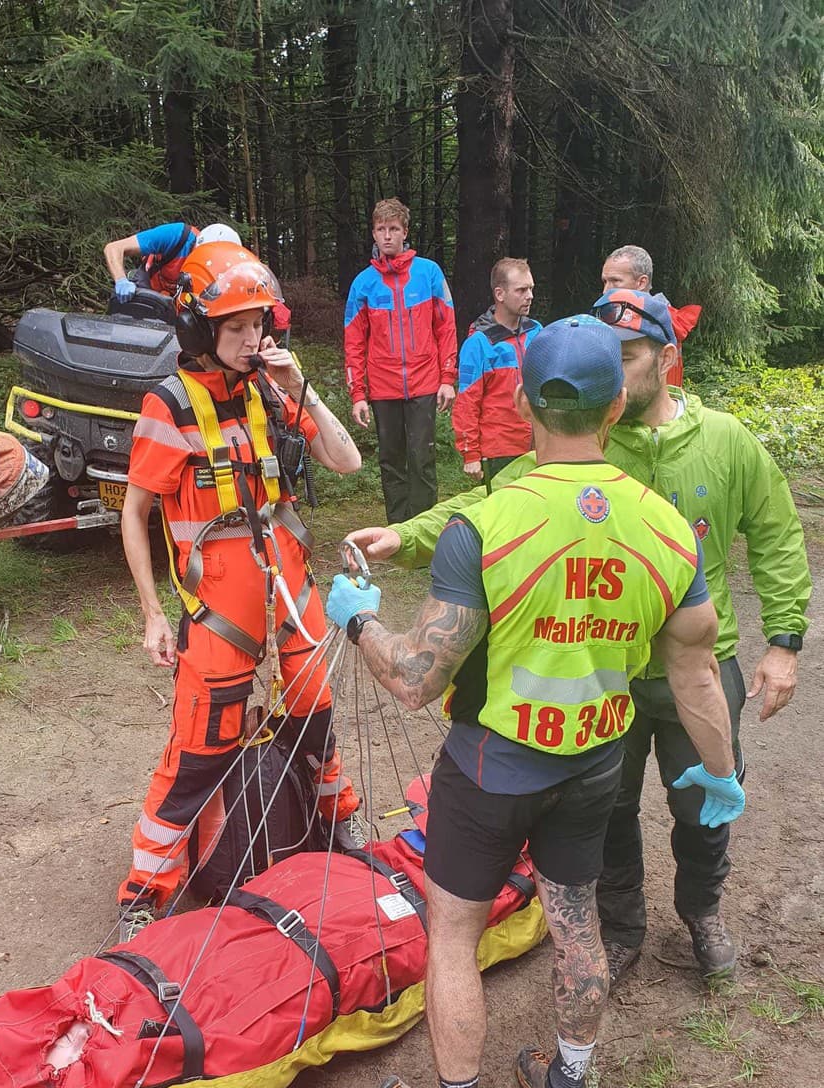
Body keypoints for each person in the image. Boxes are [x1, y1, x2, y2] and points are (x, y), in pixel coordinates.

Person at [326, 315, 743, 1088]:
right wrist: (720, 772)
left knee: (452, 934)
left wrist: (358, 618)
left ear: (520, 403)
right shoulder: (668, 531)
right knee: (576, 920)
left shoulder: (485, 528)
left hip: (489, 771)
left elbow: (414, 677)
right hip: (594, 764)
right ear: (618, 402)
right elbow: (698, 675)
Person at [344, 288, 809, 987]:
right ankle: (620, 928)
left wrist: (784, 641)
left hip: (697, 664)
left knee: (707, 799)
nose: (613, 373)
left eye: (628, 356)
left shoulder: (726, 443)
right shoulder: (589, 442)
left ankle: (703, 914)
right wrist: (408, 535)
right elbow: (491, 505)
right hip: (605, 671)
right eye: (607, 359)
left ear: (667, 357)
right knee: (609, 809)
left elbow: (776, 535)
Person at [117, 241, 364, 942]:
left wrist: (300, 384)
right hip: (219, 601)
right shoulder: (170, 404)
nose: (252, 338)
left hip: (286, 583)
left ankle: (335, 826)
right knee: (201, 747)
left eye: (258, 323)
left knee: (315, 712)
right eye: (236, 327)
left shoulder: (270, 389)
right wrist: (152, 613)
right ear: (200, 330)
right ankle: (147, 886)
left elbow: (345, 461)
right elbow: (135, 514)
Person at [343, 197, 457, 523]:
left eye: (394, 228)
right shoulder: (363, 284)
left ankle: (422, 531)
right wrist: (357, 394)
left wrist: (447, 378)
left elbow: (446, 327)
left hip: (424, 380)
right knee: (391, 459)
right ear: (374, 234)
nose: (388, 236)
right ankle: (397, 530)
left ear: (405, 231)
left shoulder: (429, 273)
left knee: (422, 458)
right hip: (382, 386)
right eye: (381, 229)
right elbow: (353, 343)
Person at [452, 257, 541, 484]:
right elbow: (467, 402)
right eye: (521, 290)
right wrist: (470, 453)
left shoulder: (537, 331)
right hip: (499, 450)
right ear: (500, 294)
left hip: (540, 444)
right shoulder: (479, 343)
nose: (529, 296)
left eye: (530, 288)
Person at [600, 245, 701, 386]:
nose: (606, 291)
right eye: (605, 281)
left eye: (615, 281)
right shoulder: (666, 318)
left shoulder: (646, 323)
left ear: (641, 282)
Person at [104, 220, 242, 302]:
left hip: (182, 304)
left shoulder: (224, 272)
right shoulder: (176, 235)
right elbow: (113, 248)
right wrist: (121, 280)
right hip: (147, 287)